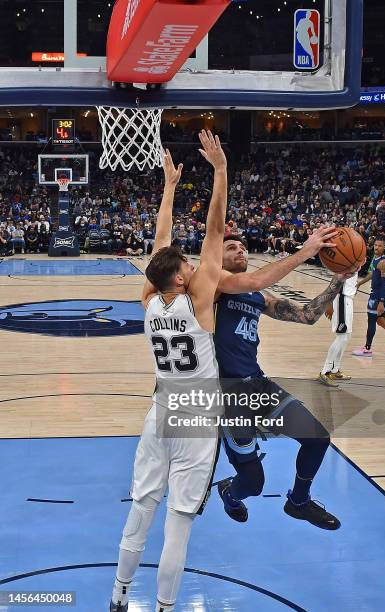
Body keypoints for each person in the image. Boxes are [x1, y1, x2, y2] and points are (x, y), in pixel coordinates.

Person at [110, 131, 228, 612]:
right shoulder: (199, 300)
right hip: (196, 412)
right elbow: (215, 233)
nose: (188, 259)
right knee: (179, 520)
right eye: (184, 262)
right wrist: (219, 172)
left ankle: (118, 597)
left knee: (143, 506)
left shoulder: (148, 302)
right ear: (181, 277)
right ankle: (163, 607)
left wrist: (169, 187)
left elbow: (161, 241)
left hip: (161, 408)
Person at [213, 235, 352, 529]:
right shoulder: (213, 286)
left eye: (243, 247)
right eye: (231, 247)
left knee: (318, 439)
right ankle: (230, 494)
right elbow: (250, 279)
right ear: (217, 256)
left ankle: (298, 501)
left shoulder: (256, 296)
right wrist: (306, 251)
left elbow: (306, 315)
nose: (240, 250)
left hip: (259, 385)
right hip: (229, 396)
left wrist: (338, 280)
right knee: (253, 483)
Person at [352, 235, 385, 358]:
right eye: (375, 245)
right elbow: (372, 273)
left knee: (371, 320)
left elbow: (384, 282)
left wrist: (381, 301)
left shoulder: (383, 262)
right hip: (380, 293)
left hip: (379, 294)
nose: (376, 247)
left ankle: (367, 349)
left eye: (380, 246)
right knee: (380, 321)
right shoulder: (376, 258)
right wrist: (360, 283)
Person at [318, 271, 358, 387]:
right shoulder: (347, 258)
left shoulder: (356, 258)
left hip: (348, 299)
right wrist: (329, 302)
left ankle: (335, 370)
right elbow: (336, 278)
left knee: (346, 336)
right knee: (342, 336)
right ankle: (325, 371)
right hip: (342, 299)